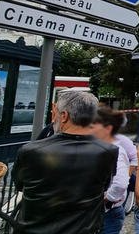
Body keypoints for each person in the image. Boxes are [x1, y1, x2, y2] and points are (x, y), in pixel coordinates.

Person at [12, 91, 118, 234]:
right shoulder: (108, 151)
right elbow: (104, 186)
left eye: (55, 113)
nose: (53, 119)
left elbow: (20, 184)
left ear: (64, 116)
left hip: (34, 229)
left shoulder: (31, 151)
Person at [91, 107, 130, 234]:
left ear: (107, 128)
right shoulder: (101, 148)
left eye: (94, 125)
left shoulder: (116, 150)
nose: (90, 128)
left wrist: (105, 199)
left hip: (108, 214)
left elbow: (120, 183)